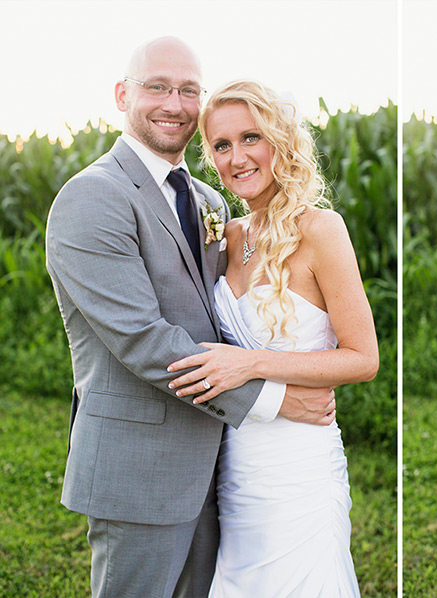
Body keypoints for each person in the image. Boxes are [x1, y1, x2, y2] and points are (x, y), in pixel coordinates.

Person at [45, 37, 335, 598]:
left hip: (221, 464)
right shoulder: (92, 198)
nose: (174, 104)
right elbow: (143, 340)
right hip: (140, 467)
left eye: (188, 90)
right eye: (157, 87)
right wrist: (273, 400)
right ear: (122, 94)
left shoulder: (210, 202)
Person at [165, 80, 378, 597]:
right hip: (235, 462)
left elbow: (362, 358)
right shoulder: (225, 237)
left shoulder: (320, 229)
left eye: (250, 137)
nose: (236, 157)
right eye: (221, 145)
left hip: (299, 466)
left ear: (280, 141)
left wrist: (252, 363)